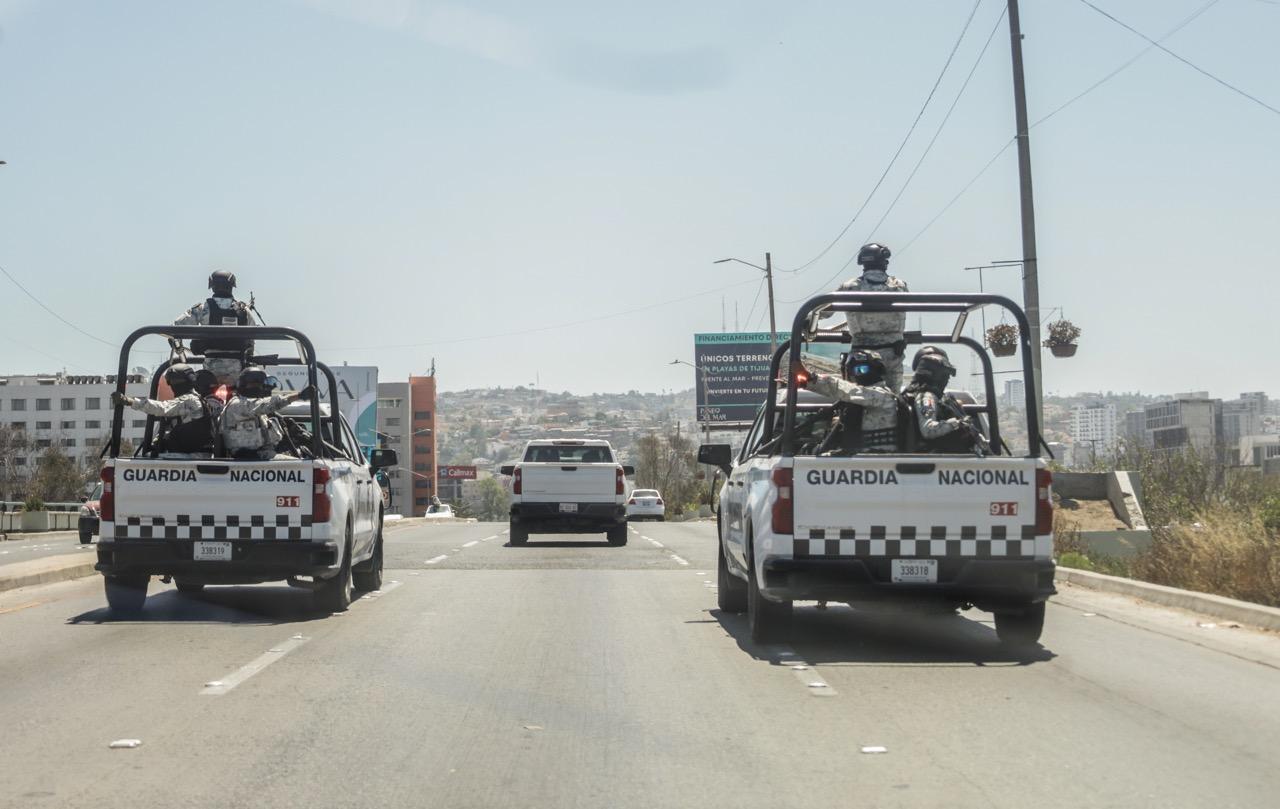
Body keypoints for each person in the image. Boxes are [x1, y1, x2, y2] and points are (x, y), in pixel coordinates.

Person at [838, 243, 909, 391]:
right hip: (893, 354)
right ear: (884, 261)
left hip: (861, 356)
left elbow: (824, 309)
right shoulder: (899, 286)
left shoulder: (850, 287)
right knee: (893, 400)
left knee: (856, 399)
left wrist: (809, 324)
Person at [110, 364, 222, 455]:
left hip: (193, 456)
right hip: (193, 454)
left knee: (151, 459)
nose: (173, 386)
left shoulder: (189, 400)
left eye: (175, 382)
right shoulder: (198, 400)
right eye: (172, 382)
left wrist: (129, 401)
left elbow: (162, 408)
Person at [805, 349, 900, 454]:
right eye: (856, 370)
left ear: (877, 370)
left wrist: (810, 379)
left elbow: (849, 391)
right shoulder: (856, 403)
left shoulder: (883, 396)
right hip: (858, 460)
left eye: (863, 369)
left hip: (877, 459)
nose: (859, 374)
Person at [174, 270, 259, 386]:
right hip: (237, 376)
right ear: (232, 286)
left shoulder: (203, 309)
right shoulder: (244, 310)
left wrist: (177, 345)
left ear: (212, 286)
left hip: (210, 375)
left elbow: (178, 325)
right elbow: (253, 337)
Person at [220, 366, 314, 460]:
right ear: (243, 385)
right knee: (298, 465)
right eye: (254, 384)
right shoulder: (237, 405)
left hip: (263, 456)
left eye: (260, 385)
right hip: (250, 457)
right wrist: (298, 396)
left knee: (304, 456)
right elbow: (266, 404)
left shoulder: (258, 412)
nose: (258, 388)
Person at [903, 347, 980, 453]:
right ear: (934, 375)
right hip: (940, 460)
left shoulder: (941, 398)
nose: (947, 379)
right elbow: (928, 430)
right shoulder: (926, 397)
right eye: (945, 375)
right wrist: (957, 424)